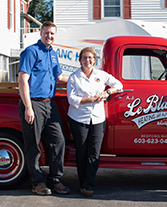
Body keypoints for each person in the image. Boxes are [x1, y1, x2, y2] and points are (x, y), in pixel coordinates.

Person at [18, 21, 71, 195]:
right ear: (41, 33)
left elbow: (60, 77)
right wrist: (28, 107)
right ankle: (38, 183)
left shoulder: (53, 54)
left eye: (52, 34)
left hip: (50, 104)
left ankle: (55, 179)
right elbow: (23, 80)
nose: (49, 36)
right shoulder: (31, 52)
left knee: (58, 141)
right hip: (33, 103)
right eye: (47, 33)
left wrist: (86, 76)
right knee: (33, 144)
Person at [67, 47, 123, 197]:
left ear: (95, 59)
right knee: (82, 152)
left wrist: (107, 92)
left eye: (90, 57)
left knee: (94, 152)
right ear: (80, 60)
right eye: (84, 57)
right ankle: (82, 182)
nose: (88, 60)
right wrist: (91, 100)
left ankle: (88, 185)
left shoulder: (101, 75)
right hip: (78, 119)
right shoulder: (74, 77)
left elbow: (119, 85)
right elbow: (72, 99)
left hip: (98, 119)